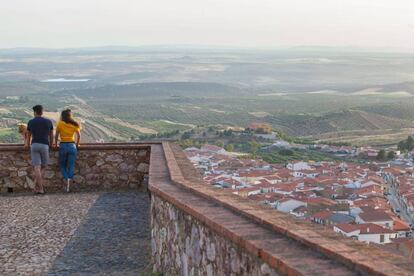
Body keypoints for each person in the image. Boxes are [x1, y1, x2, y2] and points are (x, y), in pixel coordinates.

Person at [25, 105, 54, 194]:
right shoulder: (48, 122)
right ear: (42, 111)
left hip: (34, 145)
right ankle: (39, 187)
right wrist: (51, 144)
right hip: (44, 145)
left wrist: (27, 144)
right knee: (44, 166)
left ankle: (39, 188)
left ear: (34, 112)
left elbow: (28, 135)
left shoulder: (31, 122)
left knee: (37, 167)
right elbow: (51, 135)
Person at [54, 109, 81, 192]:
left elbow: (56, 135)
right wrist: (76, 144)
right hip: (72, 146)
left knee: (62, 166)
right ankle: (70, 180)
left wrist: (55, 144)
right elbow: (79, 135)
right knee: (71, 166)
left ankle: (66, 179)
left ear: (62, 116)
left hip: (63, 145)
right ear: (70, 115)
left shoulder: (60, 124)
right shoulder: (75, 124)